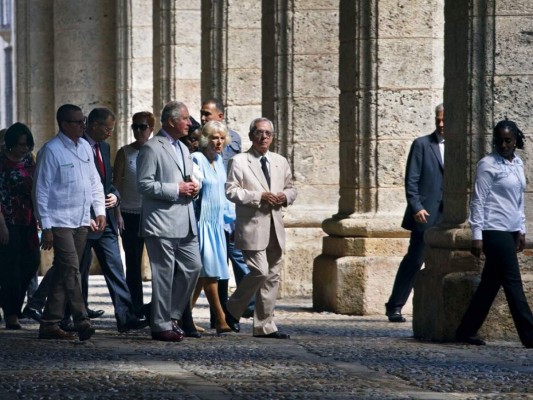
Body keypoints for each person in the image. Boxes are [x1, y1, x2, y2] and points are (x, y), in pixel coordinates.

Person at [456, 119, 533, 347]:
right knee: (513, 282)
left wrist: (521, 230)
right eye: (499, 140)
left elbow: (518, 200)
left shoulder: (517, 163)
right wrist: (477, 235)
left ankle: (465, 331)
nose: (503, 144)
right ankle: (529, 335)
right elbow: (478, 201)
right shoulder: (487, 164)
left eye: (508, 140)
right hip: (493, 230)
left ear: (516, 140)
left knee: (490, 284)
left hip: (510, 230)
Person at [33, 104, 104, 340]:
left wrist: (99, 210)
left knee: (66, 271)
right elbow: (41, 190)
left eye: (82, 120)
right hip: (59, 219)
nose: (83, 125)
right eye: (77, 122)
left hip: (82, 218)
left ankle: (50, 323)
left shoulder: (84, 146)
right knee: (71, 268)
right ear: (64, 124)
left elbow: (94, 181)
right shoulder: (51, 151)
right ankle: (81, 320)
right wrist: (47, 226)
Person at [225, 117, 297, 339]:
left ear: (272, 137)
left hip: (275, 226)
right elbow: (231, 191)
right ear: (250, 136)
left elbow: (292, 188)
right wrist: (259, 196)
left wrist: (284, 196)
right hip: (252, 226)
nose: (263, 136)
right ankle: (232, 309)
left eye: (267, 133)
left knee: (272, 276)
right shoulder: (239, 161)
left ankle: (264, 325)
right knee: (260, 271)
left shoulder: (280, 161)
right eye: (259, 132)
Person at [136, 101, 202, 342]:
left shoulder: (184, 149)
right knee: (163, 274)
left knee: (193, 267)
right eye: (185, 118)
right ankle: (161, 325)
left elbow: (188, 178)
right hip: (161, 222)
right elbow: (143, 184)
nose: (190, 123)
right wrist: (177, 189)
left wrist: (194, 186)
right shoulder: (151, 148)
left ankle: (171, 315)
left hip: (186, 221)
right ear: (172, 121)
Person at [78, 107, 148, 333]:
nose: (110, 133)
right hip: (83, 219)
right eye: (107, 128)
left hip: (105, 218)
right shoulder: (77, 146)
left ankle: (125, 317)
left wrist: (115, 197)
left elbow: (108, 181)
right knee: (75, 269)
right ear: (95, 125)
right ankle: (71, 315)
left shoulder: (105, 148)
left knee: (116, 268)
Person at [385, 104, 444, 322]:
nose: (440, 124)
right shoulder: (422, 144)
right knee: (415, 259)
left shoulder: (460, 144)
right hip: (426, 214)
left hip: (449, 214)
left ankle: (436, 309)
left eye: (444, 120)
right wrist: (416, 206)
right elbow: (411, 179)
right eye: (438, 119)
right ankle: (395, 305)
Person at [200, 98, 253, 330]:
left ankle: (236, 312)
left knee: (236, 265)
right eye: (202, 114)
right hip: (207, 218)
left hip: (227, 216)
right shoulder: (197, 152)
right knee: (212, 270)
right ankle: (220, 318)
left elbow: (235, 180)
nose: (202, 117)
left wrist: (238, 216)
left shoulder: (230, 148)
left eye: (207, 113)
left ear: (220, 116)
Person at [190, 121, 233, 334]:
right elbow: (195, 187)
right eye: (215, 137)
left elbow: (224, 198)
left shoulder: (219, 161)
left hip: (216, 224)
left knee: (201, 275)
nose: (219, 142)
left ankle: (183, 316)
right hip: (201, 223)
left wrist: (231, 222)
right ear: (206, 139)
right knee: (209, 274)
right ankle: (221, 318)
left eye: (222, 138)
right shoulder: (196, 158)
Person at [113, 111, 155, 317]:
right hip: (129, 213)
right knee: (132, 261)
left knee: (159, 263)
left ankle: (158, 307)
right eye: (135, 126)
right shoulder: (125, 152)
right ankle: (135, 307)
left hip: (153, 214)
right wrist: (117, 212)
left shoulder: (156, 151)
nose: (138, 130)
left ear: (151, 129)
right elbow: (117, 184)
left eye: (143, 127)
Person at [0, 123, 40, 329]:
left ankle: (8, 301)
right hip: (8, 220)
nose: (24, 148)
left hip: (28, 219)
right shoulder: (2, 163)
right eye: (20, 144)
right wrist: (2, 225)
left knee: (32, 263)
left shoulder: (28, 161)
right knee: (10, 269)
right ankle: (12, 314)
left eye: (27, 144)